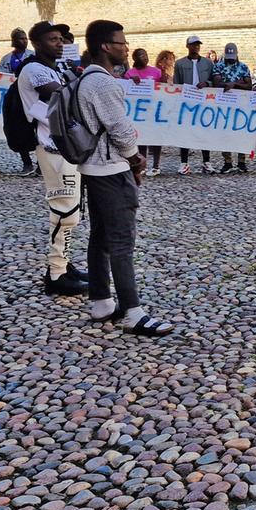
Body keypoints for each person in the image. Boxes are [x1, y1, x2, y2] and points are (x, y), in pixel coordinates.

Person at [78, 20, 173, 336]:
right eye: (121, 42)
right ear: (106, 46)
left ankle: (102, 301)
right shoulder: (104, 84)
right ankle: (132, 312)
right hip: (112, 169)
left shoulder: (85, 80)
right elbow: (119, 131)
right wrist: (136, 159)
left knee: (100, 236)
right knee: (121, 240)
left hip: (93, 169)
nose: (126, 47)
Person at [16, 21, 90, 296]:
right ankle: (56, 274)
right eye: (52, 39)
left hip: (65, 148)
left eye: (61, 39)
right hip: (52, 148)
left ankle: (63, 264)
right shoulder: (34, 70)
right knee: (64, 212)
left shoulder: (53, 68)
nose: (60, 43)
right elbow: (62, 97)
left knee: (72, 210)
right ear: (36, 43)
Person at [174, 35, 215, 174]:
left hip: (204, 101)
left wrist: (207, 83)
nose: (196, 47)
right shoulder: (180, 64)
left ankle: (206, 162)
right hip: (187, 102)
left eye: (198, 44)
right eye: (193, 44)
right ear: (187, 46)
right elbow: (176, 84)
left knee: (205, 131)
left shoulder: (208, 63)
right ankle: (184, 163)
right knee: (185, 132)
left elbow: (213, 80)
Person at [0, 27, 37, 175]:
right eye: (21, 38)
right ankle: (26, 162)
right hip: (16, 99)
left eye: (26, 38)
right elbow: (0, 76)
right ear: (14, 41)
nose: (24, 41)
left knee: (38, 130)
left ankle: (41, 163)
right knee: (19, 130)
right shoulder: (7, 59)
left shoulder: (33, 56)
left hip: (32, 97)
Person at [211, 43, 253, 173]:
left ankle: (242, 161)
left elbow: (249, 85)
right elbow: (217, 83)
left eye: (233, 56)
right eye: (229, 56)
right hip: (224, 105)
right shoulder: (218, 66)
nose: (231, 59)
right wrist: (239, 83)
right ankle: (227, 161)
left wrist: (233, 84)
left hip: (241, 105)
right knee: (226, 133)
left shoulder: (243, 67)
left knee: (241, 132)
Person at [125, 48, 164, 176]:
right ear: (135, 58)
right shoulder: (130, 73)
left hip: (154, 110)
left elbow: (164, 88)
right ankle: (143, 164)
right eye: (142, 55)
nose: (145, 58)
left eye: (146, 55)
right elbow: (125, 88)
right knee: (142, 138)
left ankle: (156, 165)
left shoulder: (156, 72)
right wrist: (131, 81)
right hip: (138, 112)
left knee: (155, 138)